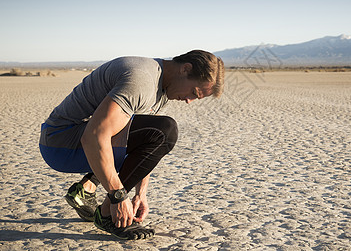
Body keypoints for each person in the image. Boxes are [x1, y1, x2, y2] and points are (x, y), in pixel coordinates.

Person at [39, 50, 224, 240]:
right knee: (166, 130)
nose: (188, 101)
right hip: (60, 143)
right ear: (185, 69)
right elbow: (94, 136)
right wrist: (118, 197)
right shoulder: (141, 79)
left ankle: (87, 189)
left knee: (158, 130)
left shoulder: (162, 86)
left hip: (72, 143)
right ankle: (107, 215)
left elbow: (145, 145)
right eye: (193, 92)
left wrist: (140, 194)